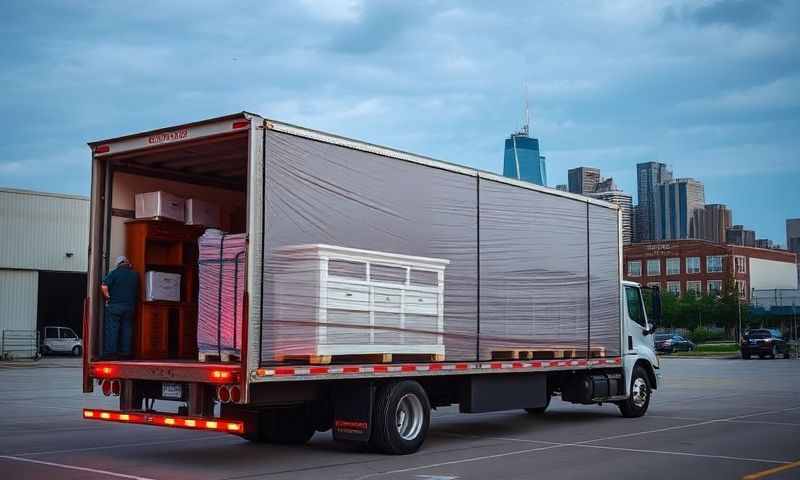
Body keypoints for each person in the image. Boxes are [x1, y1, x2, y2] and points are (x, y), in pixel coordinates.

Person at [101, 256, 138, 359]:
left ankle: (111, 353)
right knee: (127, 329)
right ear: (127, 263)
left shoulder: (114, 273)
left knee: (112, 329)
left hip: (115, 306)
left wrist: (108, 297)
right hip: (129, 307)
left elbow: (104, 286)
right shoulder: (134, 275)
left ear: (118, 264)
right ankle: (126, 353)